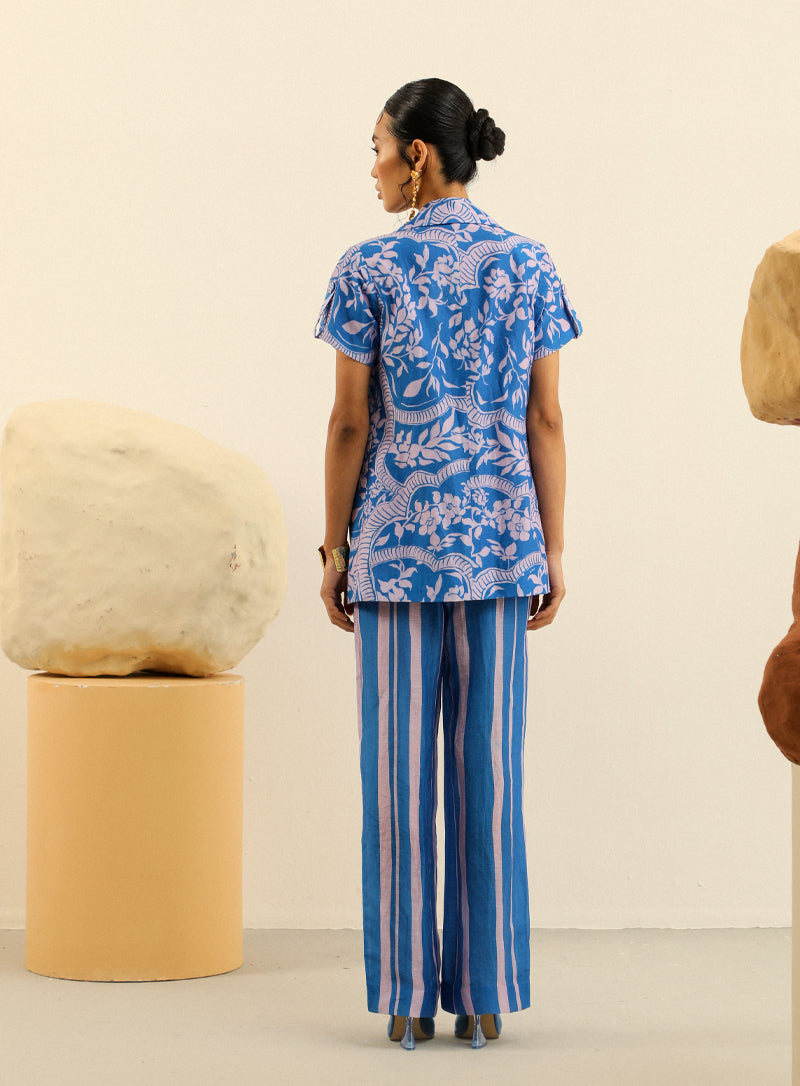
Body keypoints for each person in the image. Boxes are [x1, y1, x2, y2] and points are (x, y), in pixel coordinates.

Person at [315, 77, 582, 1051]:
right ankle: (484, 996)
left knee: (395, 780)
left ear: (417, 156)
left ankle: (403, 1000)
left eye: (378, 148)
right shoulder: (529, 263)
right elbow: (544, 417)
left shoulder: (367, 269)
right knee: (489, 776)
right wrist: (552, 548)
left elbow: (351, 423)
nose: (374, 168)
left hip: (393, 556)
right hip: (500, 550)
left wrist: (335, 548)